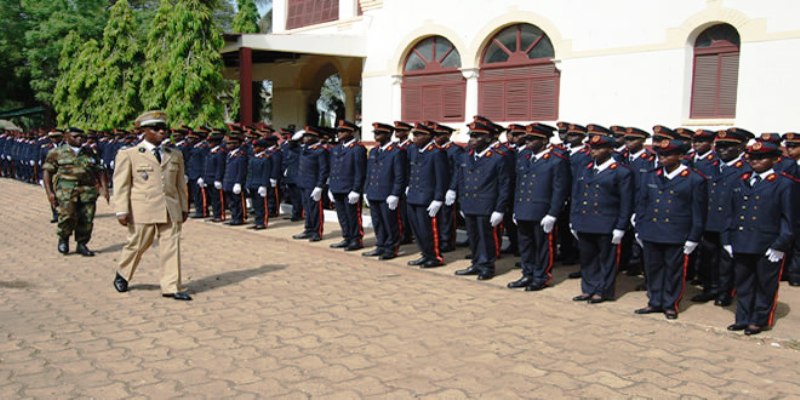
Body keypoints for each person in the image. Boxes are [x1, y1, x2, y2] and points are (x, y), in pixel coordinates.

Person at [112, 110, 191, 301]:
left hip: (170, 207)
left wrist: (183, 206)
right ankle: (123, 273)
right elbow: (121, 184)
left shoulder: (174, 154)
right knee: (139, 243)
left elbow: (180, 184)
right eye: (156, 128)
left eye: (164, 128)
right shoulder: (129, 154)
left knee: (171, 245)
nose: (162, 132)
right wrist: (121, 210)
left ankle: (171, 286)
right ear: (144, 131)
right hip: (143, 207)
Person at [724, 141, 795, 335]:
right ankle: (743, 318)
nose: (756, 162)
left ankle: (759, 319)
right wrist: (727, 239)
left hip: (767, 244)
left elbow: (789, 218)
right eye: (752, 158)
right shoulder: (741, 180)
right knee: (743, 283)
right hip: (741, 240)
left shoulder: (784, 183)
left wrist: (780, 245)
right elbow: (730, 213)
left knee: (765, 284)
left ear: (775, 159)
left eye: (762, 158)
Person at [634, 140, 707, 320]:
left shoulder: (694, 179)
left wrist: (693, 238)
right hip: (652, 230)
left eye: (668, 155)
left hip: (677, 233)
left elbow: (699, 212)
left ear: (681, 156)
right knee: (653, 269)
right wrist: (639, 229)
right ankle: (655, 301)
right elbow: (642, 204)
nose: (663, 158)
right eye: (660, 155)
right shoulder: (650, 176)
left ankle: (670, 304)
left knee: (673, 271)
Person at [691, 128, 752, 306]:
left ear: (740, 148)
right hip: (710, 220)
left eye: (728, 146)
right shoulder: (709, 166)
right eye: (720, 146)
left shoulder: (746, 169)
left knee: (728, 261)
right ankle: (710, 288)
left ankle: (725, 292)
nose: (723, 150)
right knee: (708, 258)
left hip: (732, 222)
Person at [570, 134, 633, 304]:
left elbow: (626, 202)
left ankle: (603, 290)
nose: (594, 151)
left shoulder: (621, 171)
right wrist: (574, 220)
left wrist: (621, 226)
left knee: (606, 259)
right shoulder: (585, 168)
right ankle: (588, 288)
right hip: (585, 221)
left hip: (607, 223)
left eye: (599, 148)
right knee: (587, 258)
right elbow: (576, 196)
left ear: (611, 149)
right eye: (592, 148)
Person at [506, 123, 569, 291]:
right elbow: (519, 184)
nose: (527, 142)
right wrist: (515, 208)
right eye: (526, 138)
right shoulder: (524, 156)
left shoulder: (557, 159)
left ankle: (541, 276)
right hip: (523, 208)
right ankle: (527, 273)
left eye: (532, 139)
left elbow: (559, 189)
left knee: (542, 246)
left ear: (544, 140)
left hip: (542, 211)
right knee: (525, 245)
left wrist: (553, 213)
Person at [451, 121, 510, 280]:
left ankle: (487, 266)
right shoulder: (467, 156)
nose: (472, 139)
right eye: (471, 136)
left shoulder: (498, 158)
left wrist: (499, 209)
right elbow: (462, 180)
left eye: (477, 136)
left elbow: (504, 185)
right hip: (470, 203)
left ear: (489, 138)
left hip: (487, 205)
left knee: (486, 238)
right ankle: (476, 263)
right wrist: (462, 202)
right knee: (474, 236)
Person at [42, 127, 109, 256]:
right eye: (75, 136)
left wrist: (104, 188)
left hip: (87, 190)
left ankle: (82, 244)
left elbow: (100, 170)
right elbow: (47, 173)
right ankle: (64, 238)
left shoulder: (90, 152)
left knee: (87, 218)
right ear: (66, 137)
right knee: (67, 216)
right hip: (66, 190)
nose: (80, 139)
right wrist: (49, 193)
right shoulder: (56, 152)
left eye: (81, 136)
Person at [405, 123, 448, 268]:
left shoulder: (437, 152)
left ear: (428, 136)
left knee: (428, 230)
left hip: (427, 198)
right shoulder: (414, 150)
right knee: (417, 230)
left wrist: (438, 199)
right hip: (413, 196)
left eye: (418, 135)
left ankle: (435, 256)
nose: (415, 138)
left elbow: (442, 178)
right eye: (414, 135)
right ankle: (425, 253)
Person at [362, 122, 407, 260]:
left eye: (379, 133)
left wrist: (395, 194)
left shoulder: (397, 152)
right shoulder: (374, 151)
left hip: (387, 194)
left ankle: (391, 248)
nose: (376, 136)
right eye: (375, 133)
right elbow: (369, 172)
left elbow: (400, 176)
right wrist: (366, 190)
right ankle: (380, 245)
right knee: (378, 222)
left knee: (390, 222)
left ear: (388, 134)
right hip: (374, 192)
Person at [328, 120, 368, 251]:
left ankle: (356, 239)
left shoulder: (358, 149)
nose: (339, 133)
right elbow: (333, 168)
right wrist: (330, 186)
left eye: (342, 131)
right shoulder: (336, 148)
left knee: (353, 216)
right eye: (338, 131)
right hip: (337, 187)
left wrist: (356, 190)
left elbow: (360, 171)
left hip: (350, 188)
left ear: (351, 132)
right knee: (342, 215)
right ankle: (347, 237)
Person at [292, 126, 330, 242]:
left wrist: (319, 186)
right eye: (304, 136)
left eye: (308, 136)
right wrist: (295, 137)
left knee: (315, 210)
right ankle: (308, 229)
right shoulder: (305, 149)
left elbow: (324, 170)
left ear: (315, 137)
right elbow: (291, 146)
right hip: (303, 183)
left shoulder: (320, 151)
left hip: (313, 185)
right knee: (307, 209)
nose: (305, 138)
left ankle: (316, 232)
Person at [432, 122, 463, 253]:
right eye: (435, 135)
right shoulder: (434, 150)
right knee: (436, 216)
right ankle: (438, 240)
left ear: (448, 135)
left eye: (439, 135)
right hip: (436, 187)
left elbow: (457, 171)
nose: (436, 138)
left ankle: (447, 241)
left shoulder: (455, 150)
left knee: (447, 216)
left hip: (448, 187)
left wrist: (453, 189)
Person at [222, 132, 248, 226]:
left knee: (238, 201)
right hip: (229, 181)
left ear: (237, 144)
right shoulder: (229, 155)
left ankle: (239, 218)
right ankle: (234, 217)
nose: (227, 145)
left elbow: (242, 171)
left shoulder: (241, 155)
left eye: (230, 143)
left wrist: (238, 182)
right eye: (227, 143)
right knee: (231, 202)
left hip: (235, 182)